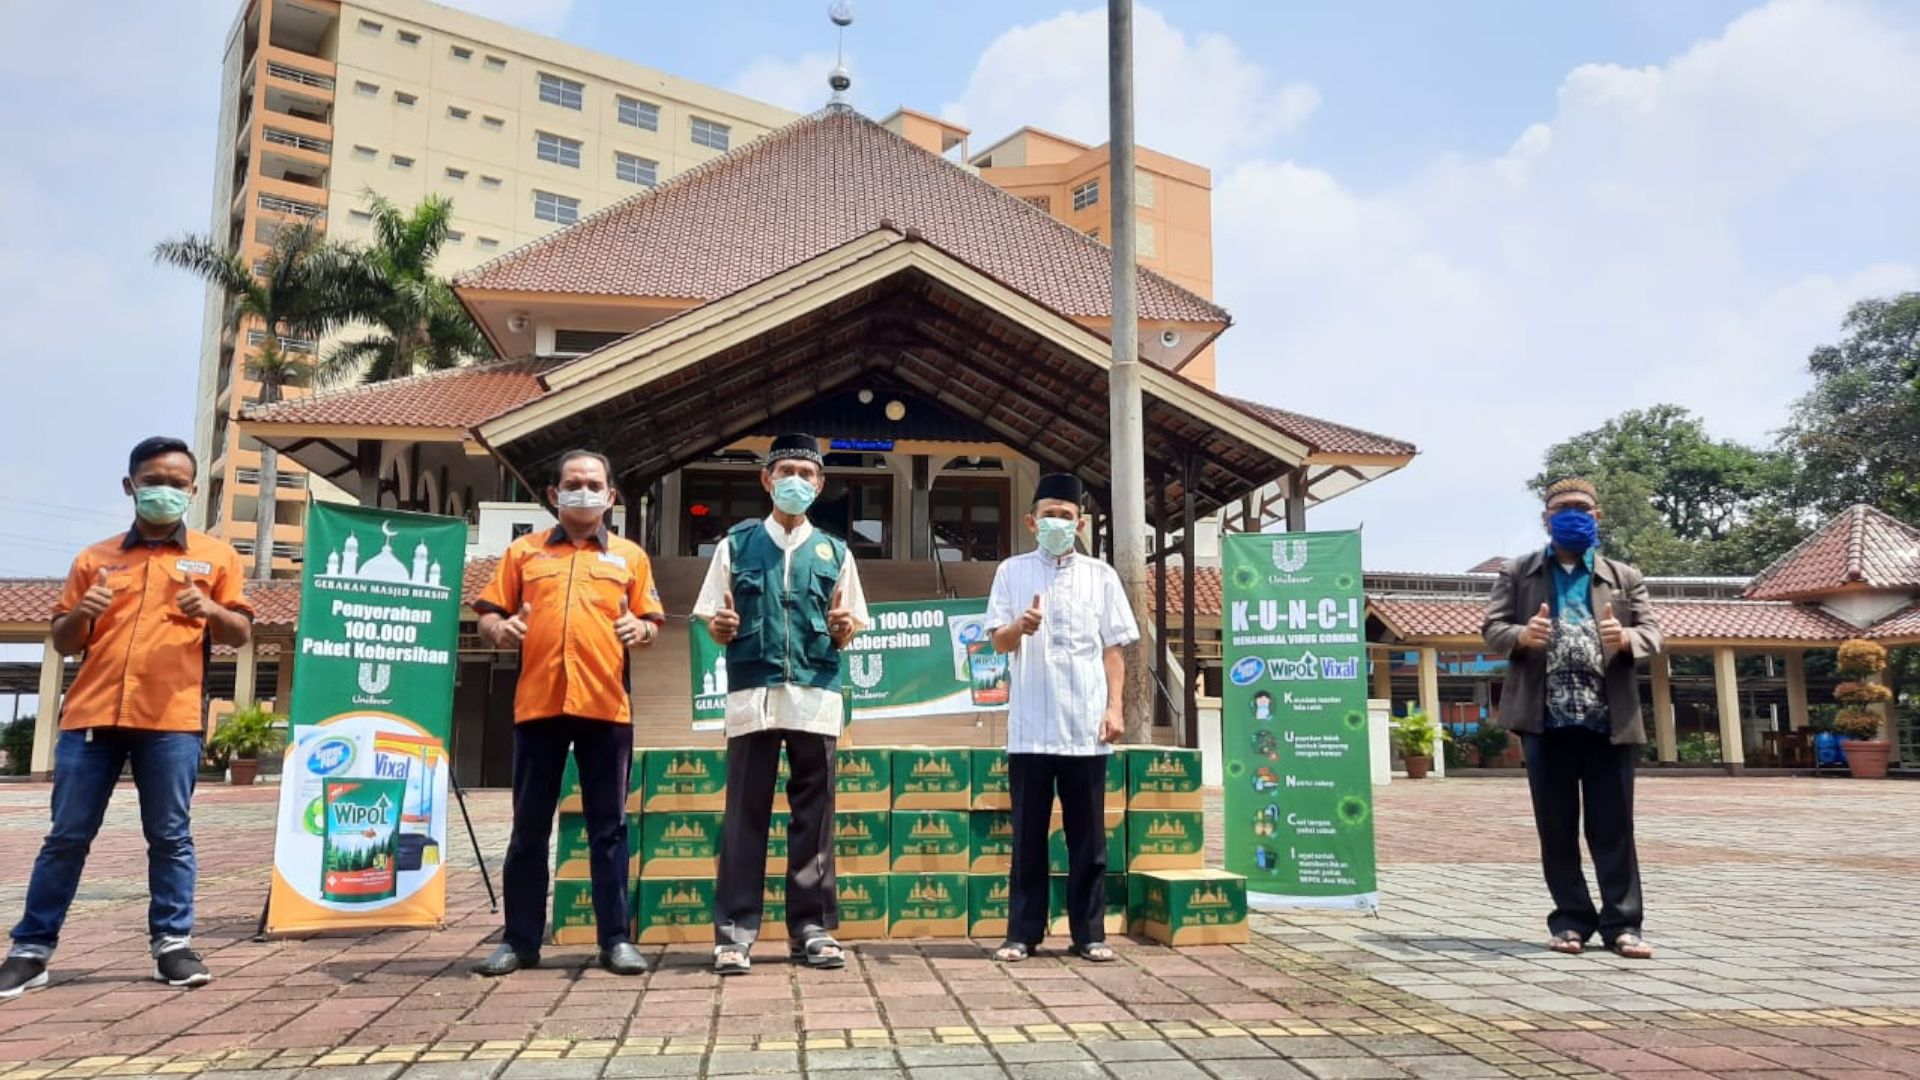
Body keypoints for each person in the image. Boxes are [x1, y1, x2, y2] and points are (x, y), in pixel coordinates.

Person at [0, 437, 253, 999]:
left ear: (193, 491)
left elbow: (240, 632)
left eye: (176, 483)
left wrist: (209, 609)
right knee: (66, 836)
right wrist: (81, 615)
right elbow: (64, 640)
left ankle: (172, 944)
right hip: (91, 718)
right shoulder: (95, 559)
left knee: (170, 836)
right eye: (152, 480)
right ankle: (31, 950)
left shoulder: (217, 557)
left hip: (171, 717)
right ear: (130, 486)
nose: (164, 490)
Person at [471, 450, 664, 977]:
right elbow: (489, 613)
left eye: (594, 483)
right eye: (573, 483)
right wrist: (499, 631)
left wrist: (639, 632)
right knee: (528, 830)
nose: (584, 490)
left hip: (606, 707)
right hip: (538, 707)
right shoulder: (523, 554)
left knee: (610, 829)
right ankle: (520, 941)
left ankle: (616, 940)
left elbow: (650, 621)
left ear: (610, 496)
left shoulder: (630, 557)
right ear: (554, 495)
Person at [694, 433, 868, 976]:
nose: (796, 480)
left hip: (815, 696)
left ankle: (811, 929)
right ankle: (734, 933)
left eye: (807, 473)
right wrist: (721, 629)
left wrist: (844, 630)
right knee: (745, 815)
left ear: (821, 485)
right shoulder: (735, 546)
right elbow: (713, 618)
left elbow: (850, 624)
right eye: (786, 470)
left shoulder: (835, 552)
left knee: (813, 818)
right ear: (767, 479)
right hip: (753, 697)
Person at [1482, 477, 1664, 960]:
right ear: (1546, 518)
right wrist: (1522, 635)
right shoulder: (1520, 572)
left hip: (1609, 717)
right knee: (1556, 826)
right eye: (1562, 508)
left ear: (1597, 516)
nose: (1573, 515)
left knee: (1613, 825)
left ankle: (1623, 924)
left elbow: (1653, 633)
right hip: (1545, 718)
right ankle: (1570, 922)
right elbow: (1492, 628)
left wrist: (1626, 640)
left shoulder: (1623, 575)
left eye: (1582, 508)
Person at [984, 473, 1137, 964]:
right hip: (1031, 727)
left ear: (1081, 523)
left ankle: (1088, 933)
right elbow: (997, 641)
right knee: (1028, 838)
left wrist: (1114, 707)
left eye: (1066, 516)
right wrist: (1019, 626)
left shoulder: (1102, 576)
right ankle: (1022, 934)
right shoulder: (1011, 572)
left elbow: (1114, 649)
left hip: (1086, 728)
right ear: (1031, 521)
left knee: (1088, 839)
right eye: (1048, 515)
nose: (1057, 523)